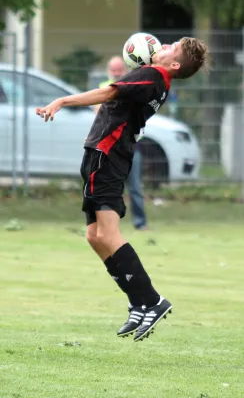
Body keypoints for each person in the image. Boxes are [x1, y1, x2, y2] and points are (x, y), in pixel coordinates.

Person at [36, 37, 209, 342]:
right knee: (94, 235)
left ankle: (152, 300)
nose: (164, 44)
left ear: (174, 64)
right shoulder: (157, 78)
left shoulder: (155, 75)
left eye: (172, 47)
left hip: (108, 153)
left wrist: (62, 100)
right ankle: (138, 302)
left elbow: (108, 92)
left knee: (107, 233)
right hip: (104, 153)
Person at [95, 56, 148, 230]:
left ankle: (140, 224)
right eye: (114, 70)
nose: (117, 73)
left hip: (132, 147)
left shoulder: (133, 87)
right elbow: (100, 113)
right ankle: (107, 225)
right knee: (108, 188)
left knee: (135, 189)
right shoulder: (103, 89)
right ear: (108, 71)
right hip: (110, 148)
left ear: (125, 70)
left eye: (120, 70)